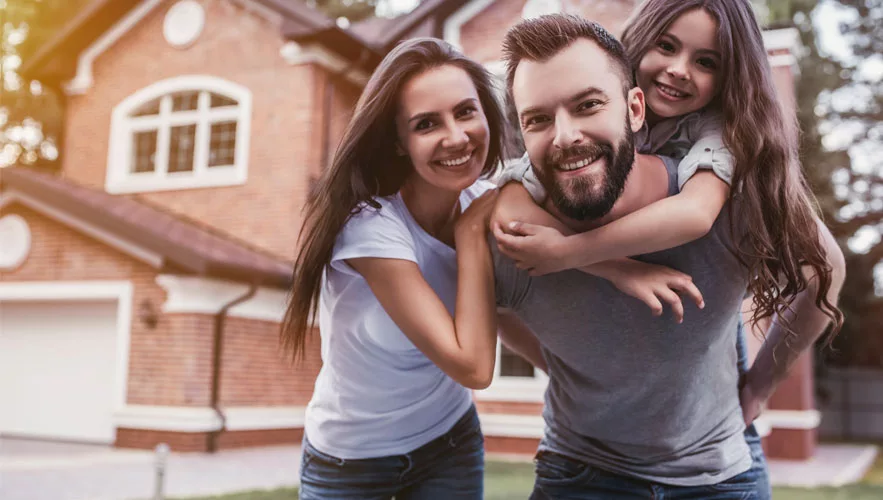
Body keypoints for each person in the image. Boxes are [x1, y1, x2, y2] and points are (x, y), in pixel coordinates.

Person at [492, 13, 845, 498]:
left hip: (716, 463)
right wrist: (571, 358)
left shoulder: (726, 146)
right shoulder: (547, 171)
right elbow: (504, 218)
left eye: (706, 61)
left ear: (632, 108)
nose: (679, 70)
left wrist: (761, 386)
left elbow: (707, 217)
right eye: (666, 46)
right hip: (581, 467)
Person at [280, 37, 531, 499]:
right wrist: (471, 232)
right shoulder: (370, 227)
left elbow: (510, 307)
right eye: (426, 124)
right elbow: (473, 367)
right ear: (399, 142)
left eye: (465, 112)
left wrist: (624, 274)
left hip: (449, 443)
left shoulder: (485, 202)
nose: (456, 137)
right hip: (349, 463)